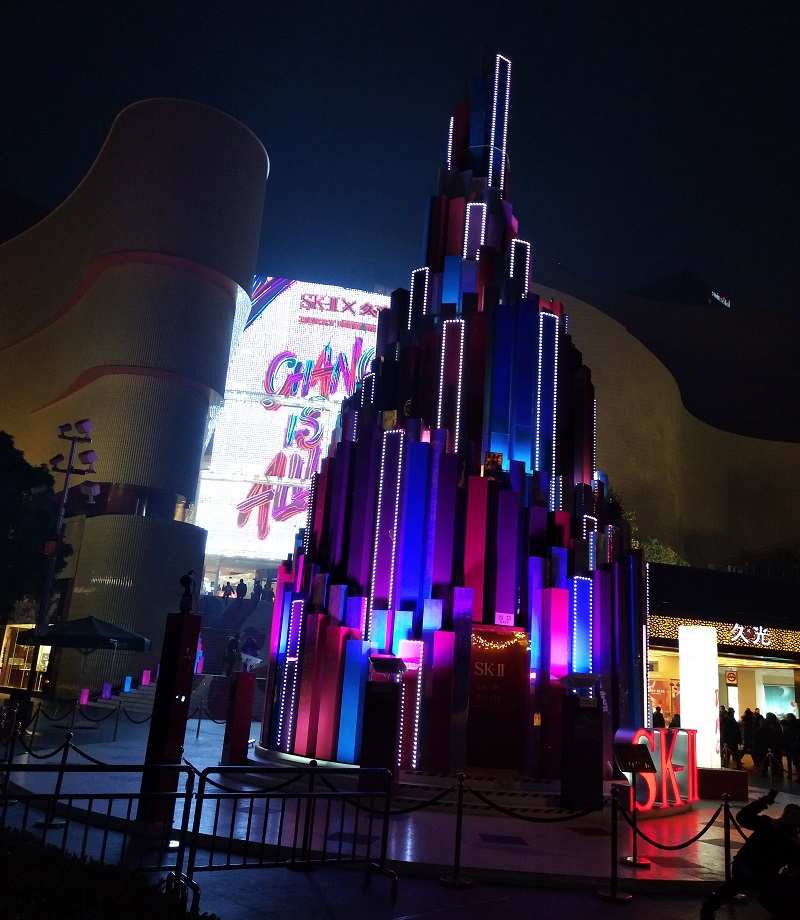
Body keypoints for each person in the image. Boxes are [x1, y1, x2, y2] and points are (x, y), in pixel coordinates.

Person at [700, 793, 800, 919]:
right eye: (787, 813)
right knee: (740, 881)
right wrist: (761, 803)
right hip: (745, 866)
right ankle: (710, 906)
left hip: (766, 874)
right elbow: (743, 817)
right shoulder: (767, 824)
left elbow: (795, 866)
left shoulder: (793, 843)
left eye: (794, 815)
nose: (789, 816)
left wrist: (791, 874)